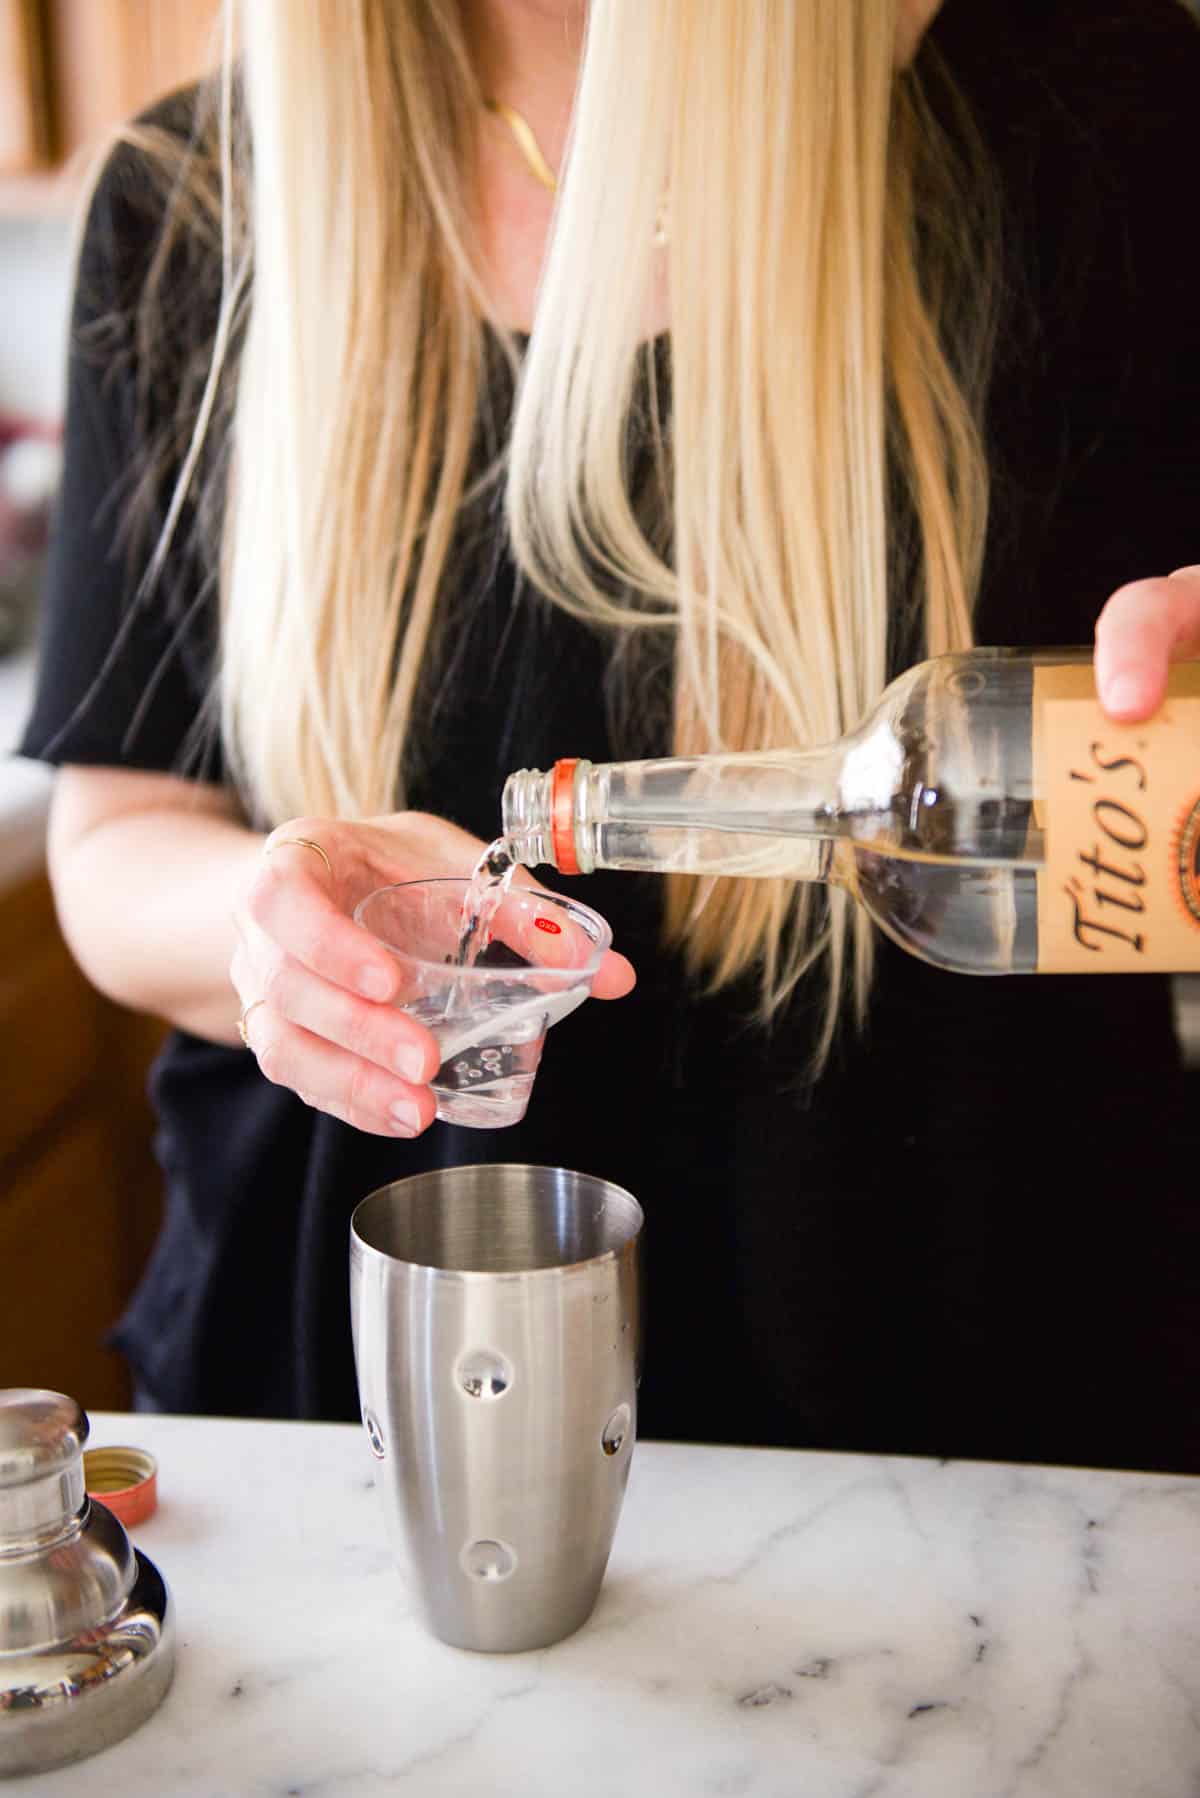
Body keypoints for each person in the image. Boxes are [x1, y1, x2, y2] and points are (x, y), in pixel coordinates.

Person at [18, 0, 1200, 1469]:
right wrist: (285, 928)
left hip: (978, 1424)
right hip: (347, 1423)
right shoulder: (190, 202)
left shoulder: (1111, 116)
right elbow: (116, 846)